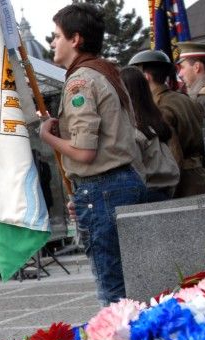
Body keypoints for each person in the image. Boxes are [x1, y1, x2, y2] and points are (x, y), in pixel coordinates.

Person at [40, 3, 146, 306]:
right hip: (122, 182)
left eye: (57, 36)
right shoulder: (107, 72)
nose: (52, 43)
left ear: (75, 39)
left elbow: (85, 153)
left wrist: (48, 136)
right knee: (134, 284)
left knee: (112, 290)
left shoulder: (79, 81)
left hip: (103, 187)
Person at [128, 49, 205, 197]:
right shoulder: (185, 99)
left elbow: (174, 155)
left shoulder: (158, 108)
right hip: (201, 177)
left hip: (181, 186)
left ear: (146, 77)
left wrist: (168, 192)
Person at [119, 66, 180, 203]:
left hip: (146, 196)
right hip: (165, 193)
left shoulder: (133, 130)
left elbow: (135, 175)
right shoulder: (154, 123)